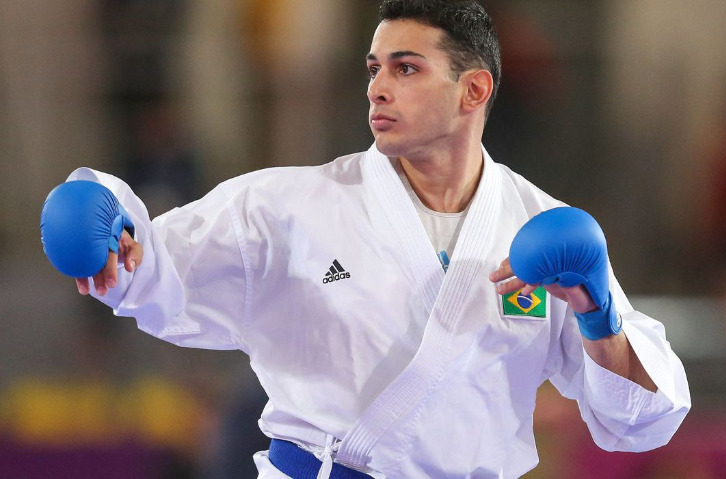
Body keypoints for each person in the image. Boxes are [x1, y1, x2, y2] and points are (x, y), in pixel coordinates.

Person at [39, 1, 690, 477]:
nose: (377, 87)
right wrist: (118, 241)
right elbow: (160, 266)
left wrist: (598, 313)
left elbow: (639, 422)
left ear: (473, 90)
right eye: (375, 67)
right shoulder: (291, 204)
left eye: (406, 69)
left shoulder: (542, 227)